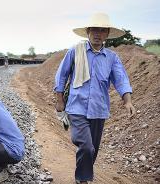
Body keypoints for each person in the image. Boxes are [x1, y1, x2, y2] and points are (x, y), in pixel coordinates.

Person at [54, 13, 135, 184]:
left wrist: (127, 101)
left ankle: (83, 172)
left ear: (107, 34)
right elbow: (61, 75)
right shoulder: (75, 51)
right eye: (94, 30)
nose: (98, 34)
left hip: (99, 109)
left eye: (102, 30)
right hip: (77, 107)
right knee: (86, 146)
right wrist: (59, 99)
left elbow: (121, 79)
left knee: (93, 149)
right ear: (88, 32)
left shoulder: (112, 58)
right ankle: (82, 179)